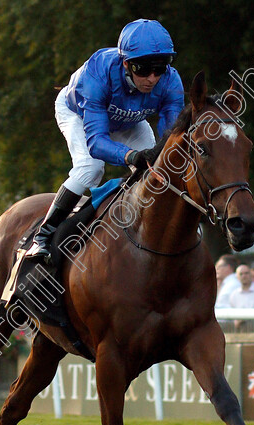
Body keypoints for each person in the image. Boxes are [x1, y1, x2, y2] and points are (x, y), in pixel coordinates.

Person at [29, 19, 184, 262]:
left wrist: (156, 157)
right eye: (143, 69)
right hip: (79, 114)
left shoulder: (171, 81)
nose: (152, 78)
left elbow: (170, 141)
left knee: (159, 170)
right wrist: (131, 156)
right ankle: (43, 236)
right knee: (90, 168)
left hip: (128, 119)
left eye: (160, 68)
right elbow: (97, 142)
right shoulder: (98, 72)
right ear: (126, 63)